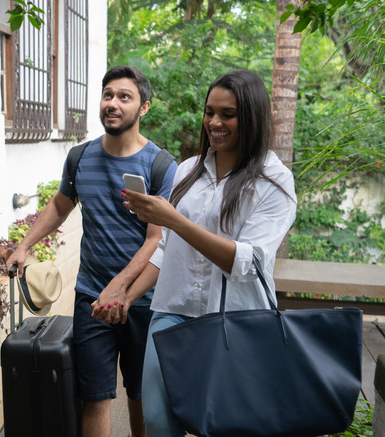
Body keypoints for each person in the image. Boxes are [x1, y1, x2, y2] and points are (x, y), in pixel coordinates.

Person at [94, 69, 297, 435]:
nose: (214, 123)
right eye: (209, 112)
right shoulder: (188, 170)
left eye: (227, 114)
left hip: (238, 319)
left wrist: (173, 220)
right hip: (172, 312)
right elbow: (167, 252)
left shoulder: (273, 179)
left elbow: (246, 263)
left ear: (250, 117)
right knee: (159, 419)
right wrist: (124, 295)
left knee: (226, 423)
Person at [6, 65, 177, 437]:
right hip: (92, 299)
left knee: (140, 395)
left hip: (144, 300)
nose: (113, 103)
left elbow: (156, 240)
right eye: (108, 95)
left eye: (124, 97)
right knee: (95, 396)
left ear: (143, 108)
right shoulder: (80, 158)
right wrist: (24, 246)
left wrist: (122, 290)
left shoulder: (161, 166)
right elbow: (60, 206)